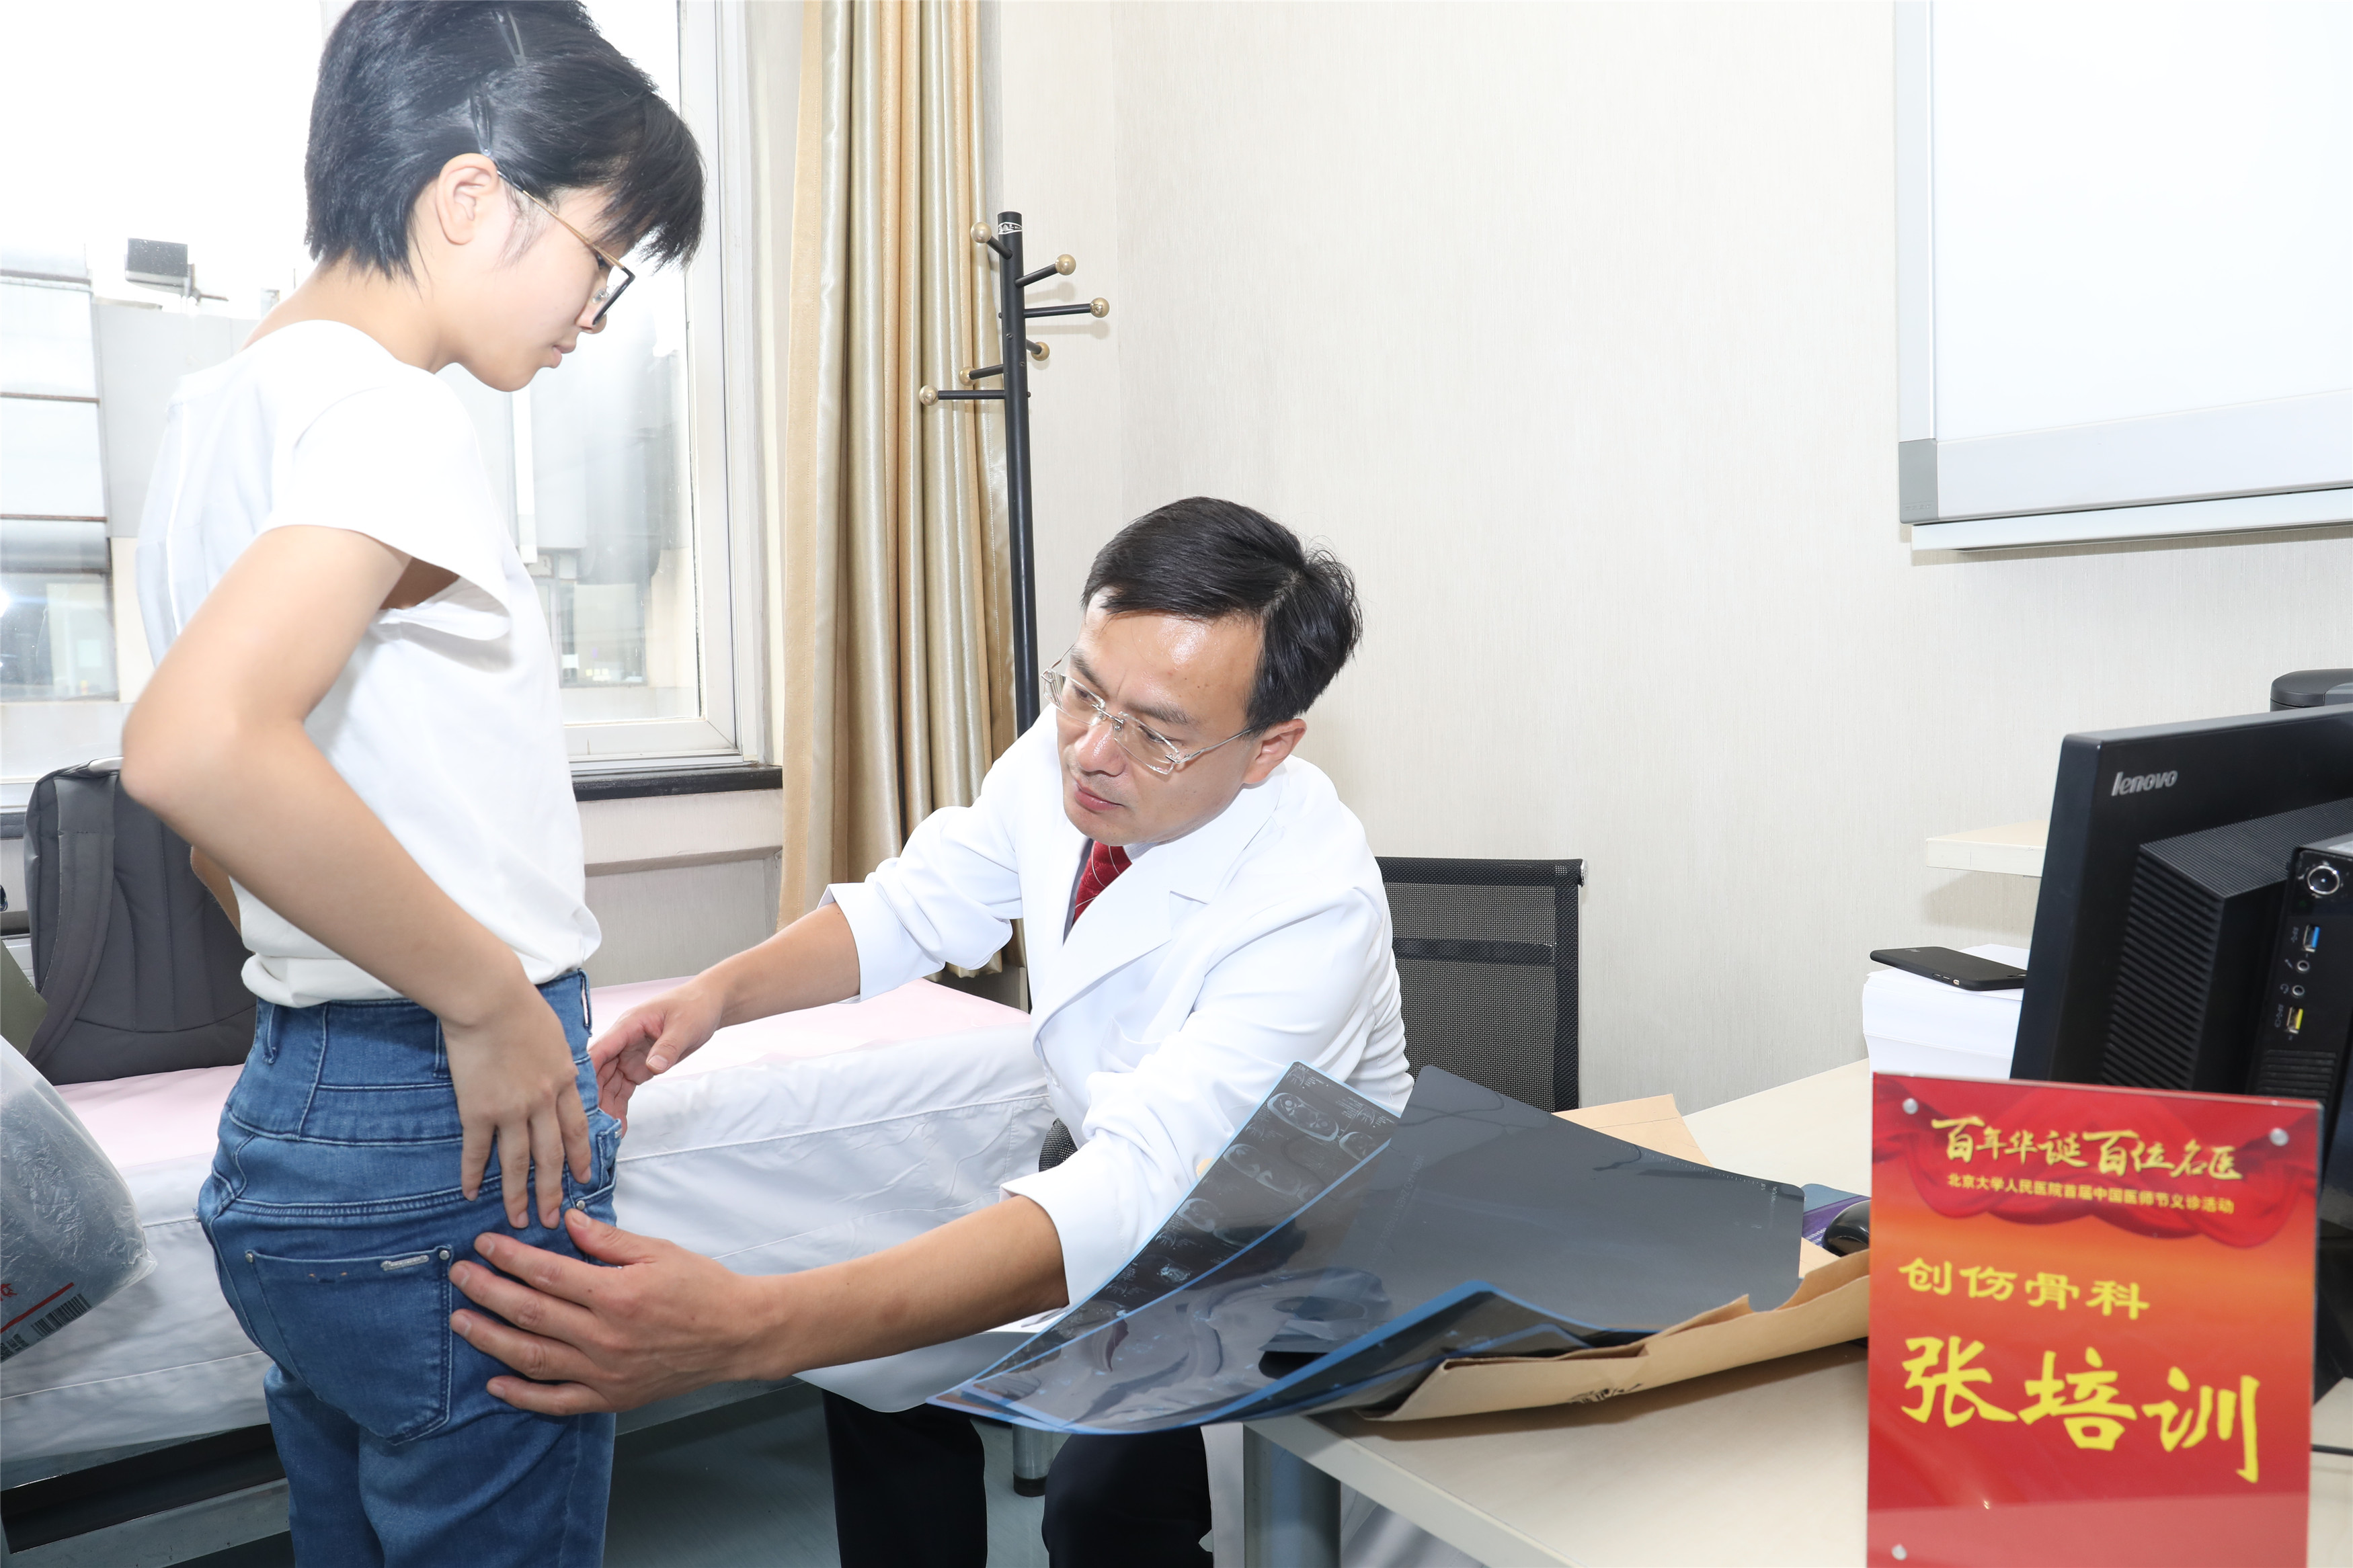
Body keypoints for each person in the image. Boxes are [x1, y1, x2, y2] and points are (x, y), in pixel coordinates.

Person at [446, 498, 1413, 1567]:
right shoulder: (1077, 750)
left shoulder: (1310, 906)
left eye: (1156, 732)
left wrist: (748, 1329)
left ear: (1269, 745)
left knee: (1101, 1510)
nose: (1095, 749)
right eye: (1084, 688)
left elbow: (1147, 1194)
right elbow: (914, 907)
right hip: (1120, 1171)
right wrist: (717, 995)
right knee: (873, 1373)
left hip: (1267, 1245)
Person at [118, 5, 701, 1563]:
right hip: (441, 1108)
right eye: (601, 257)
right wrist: (487, 1000)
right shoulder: (387, 411)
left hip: (299, 1099)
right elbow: (195, 746)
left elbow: (221, 825)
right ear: (471, 198)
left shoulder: (218, 412)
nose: (595, 315)